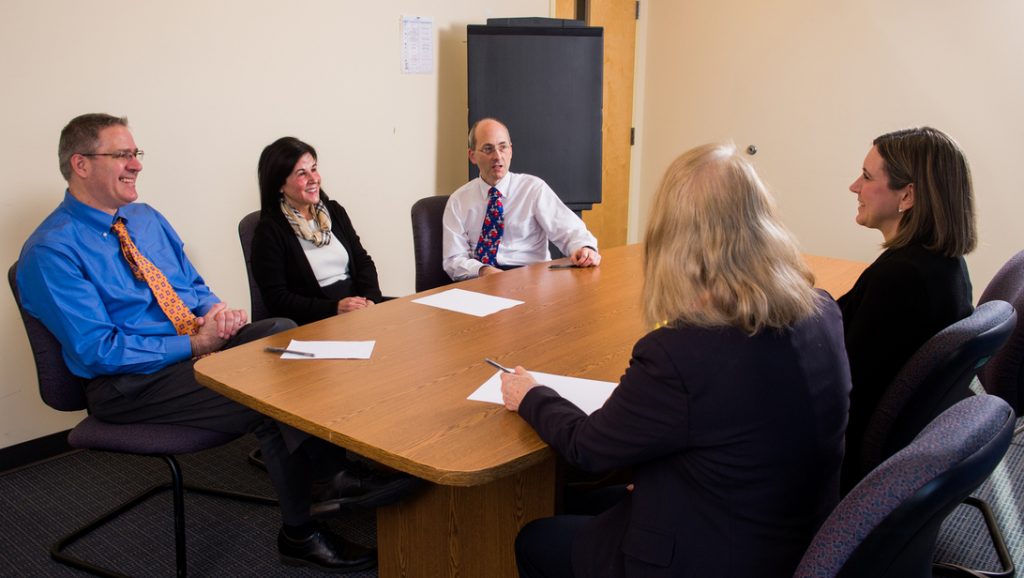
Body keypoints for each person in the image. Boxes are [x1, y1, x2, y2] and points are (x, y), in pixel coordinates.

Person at [17, 114, 404, 573]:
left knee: (283, 332)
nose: (136, 165)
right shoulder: (51, 251)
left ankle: (330, 474)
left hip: (190, 346)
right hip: (128, 382)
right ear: (80, 164)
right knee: (265, 392)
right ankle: (300, 533)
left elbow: (191, 286)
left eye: (135, 154)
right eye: (122, 155)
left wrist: (216, 311)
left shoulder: (145, 218)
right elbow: (99, 351)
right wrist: (197, 346)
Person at [500, 143, 851, 578]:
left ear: (675, 239)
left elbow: (588, 449)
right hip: (796, 535)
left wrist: (531, 395)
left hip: (713, 554)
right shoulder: (823, 311)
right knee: (588, 502)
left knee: (535, 539)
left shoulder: (681, 353)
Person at [838, 126, 975, 491]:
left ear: (908, 195)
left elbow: (841, 385)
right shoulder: (941, 264)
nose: (854, 187)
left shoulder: (901, 279)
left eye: (867, 177)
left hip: (843, 460)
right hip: (896, 442)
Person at [441, 118, 601, 280]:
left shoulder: (533, 189)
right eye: (488, 149)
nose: (497, 156)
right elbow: (453, 260)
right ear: (472, 156)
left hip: (531, 279)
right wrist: (484, 271)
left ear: (510, 150)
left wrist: (584, 248)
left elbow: (570, 230)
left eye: (503, 147)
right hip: (481, 279)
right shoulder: (458, 201)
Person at [252, 137, 382, 326]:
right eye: (302, 173)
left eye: (314, 169)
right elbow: (277, 299)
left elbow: (363, 261)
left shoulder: (334, 211)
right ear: (280, 184)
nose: (314, 179)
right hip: (315, 323)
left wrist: (371, 299)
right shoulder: (269, 231)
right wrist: (335, 308)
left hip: (359, 311)